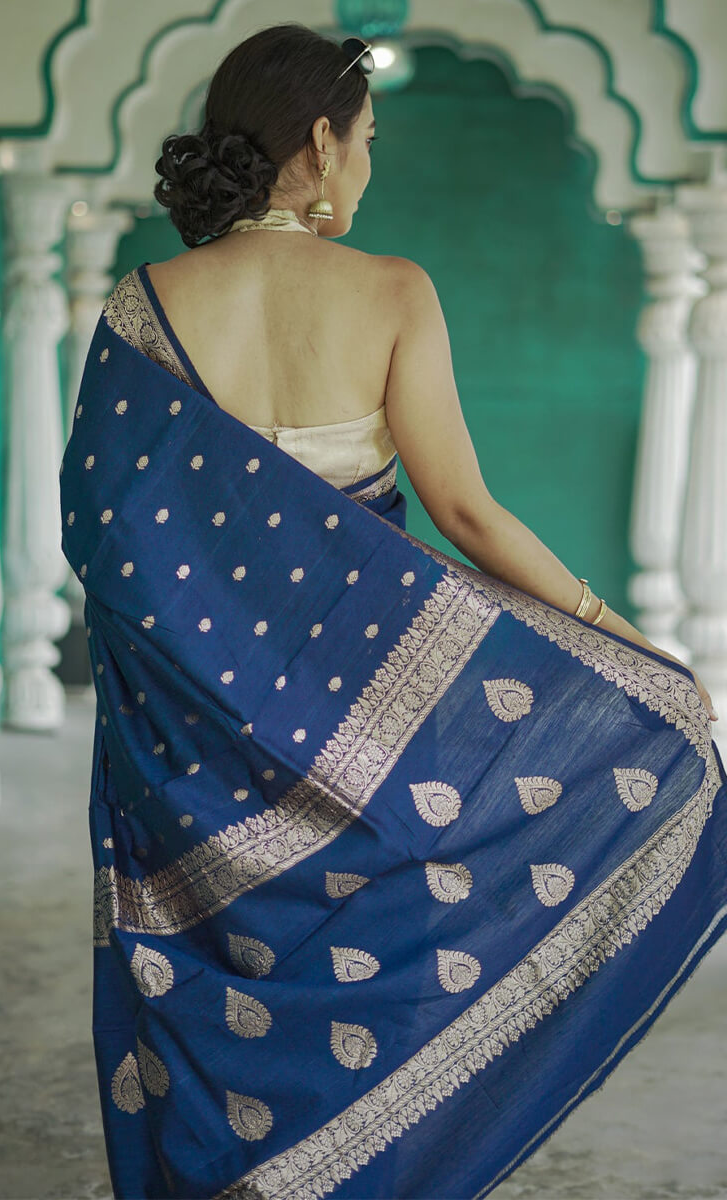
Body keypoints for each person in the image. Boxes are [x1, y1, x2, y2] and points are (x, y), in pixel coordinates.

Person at [59, 21, 727, 1200]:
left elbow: (108, 541)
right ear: (317, 144)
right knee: (387, 969)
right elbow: (464, 514)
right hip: (372, 735)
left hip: (192, 759)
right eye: (366, 139)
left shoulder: (139, 307)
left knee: (209, 1008)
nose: (369, 165)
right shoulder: (391, 293)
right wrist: (624, 644)